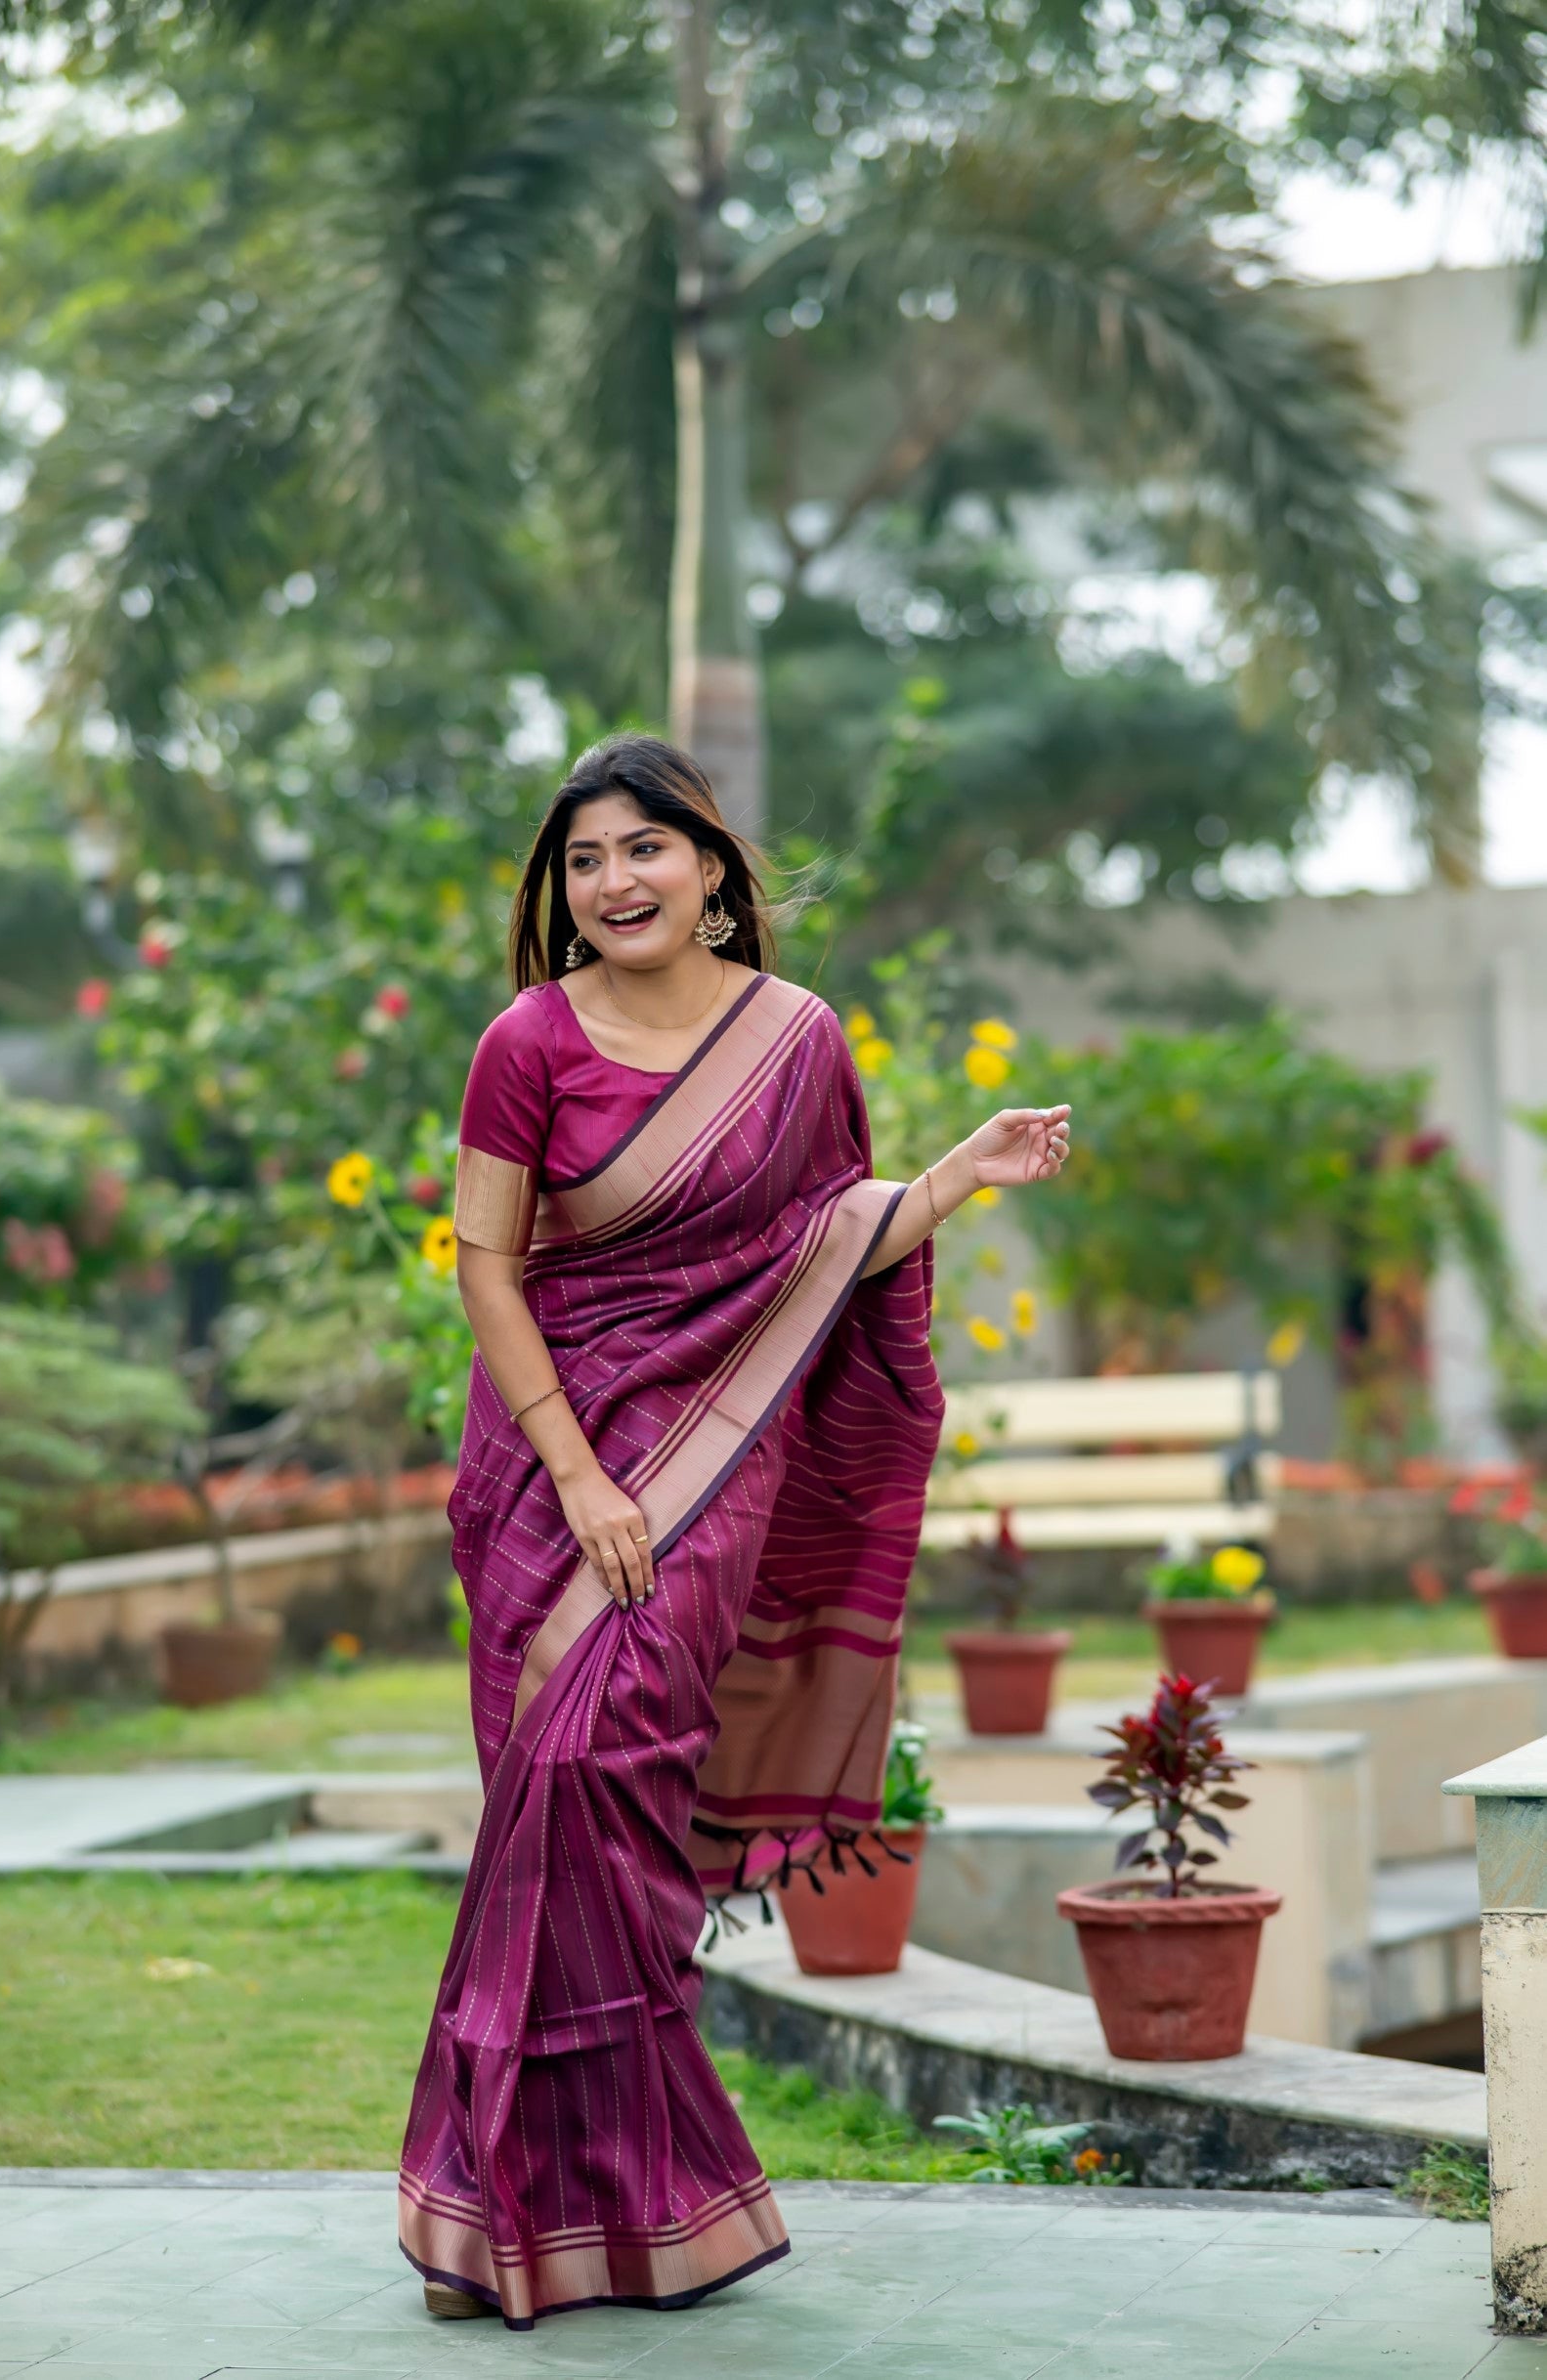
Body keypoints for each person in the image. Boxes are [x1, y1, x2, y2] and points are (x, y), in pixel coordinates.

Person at [397, 733, 1070, 2328]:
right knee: (547, 1807)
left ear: (711, 867)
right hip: (556, 1462)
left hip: (721, 1454)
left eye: (645, 849)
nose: (615, 881)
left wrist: (956, 1176)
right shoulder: (526, 1041)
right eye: (584, 859)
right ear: (560, 890)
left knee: (614, 1776)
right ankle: (529, 2207)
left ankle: (578, 2201)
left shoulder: (796, 1038)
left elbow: (824, 1245)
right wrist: (574, 1472)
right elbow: (489, 1268)